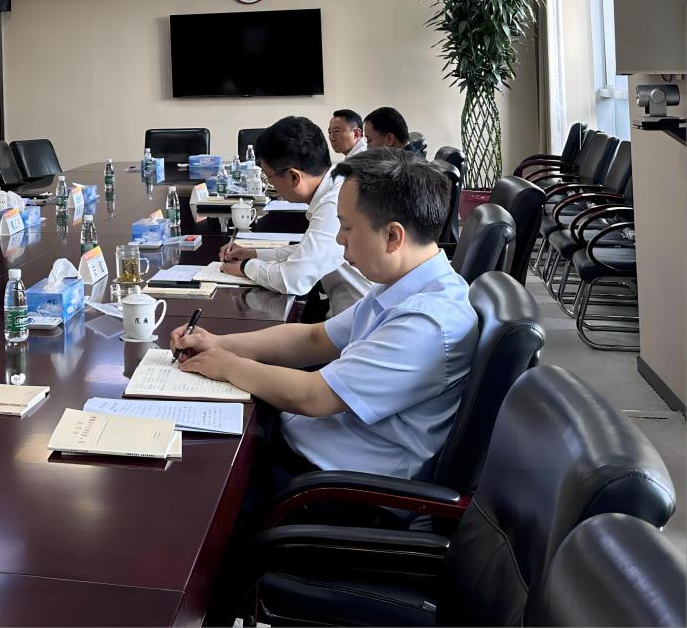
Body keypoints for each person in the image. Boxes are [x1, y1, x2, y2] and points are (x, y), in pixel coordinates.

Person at [174, 149, 477, 485]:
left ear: (393, 236)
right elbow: (315, 338)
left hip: (339, 485)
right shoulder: (403, 283)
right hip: (319, 446)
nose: (338, 238)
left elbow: (313, 396)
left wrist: (227, 365)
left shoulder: (425, 324)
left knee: (194, 473)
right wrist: (219, 343)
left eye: (347, 226)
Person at [217, 117, 370, 314]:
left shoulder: (334, 205)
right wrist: (254, 254)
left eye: (268, 177)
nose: (270, 184)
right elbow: (308, 252)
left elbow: (294, 279)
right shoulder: (337, 185)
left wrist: (246, 266)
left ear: (293, 176)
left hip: (361, 323)